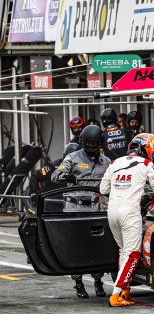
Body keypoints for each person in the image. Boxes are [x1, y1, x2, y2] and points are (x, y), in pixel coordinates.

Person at [100, 133, 154, 307]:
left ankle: (125, 291)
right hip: (130, 212)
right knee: (133, 254)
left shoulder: (115, 162)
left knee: (124, 251)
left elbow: (103, 189)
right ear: (149, 149)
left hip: (112, 212)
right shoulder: (146, 164)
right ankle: (116, 294)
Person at [51, 125, 111, 299]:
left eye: (95, 143)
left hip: (96, 207)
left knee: (97, 246)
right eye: (88, 143)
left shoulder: (106, 162)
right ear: (83, 142)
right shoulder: (73, 157)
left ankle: (98, 282)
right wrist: (65, 176)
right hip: (74, 208)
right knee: (77, 246)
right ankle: (78, 283)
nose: (92, 146)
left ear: (100, 143)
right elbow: (55, 175)